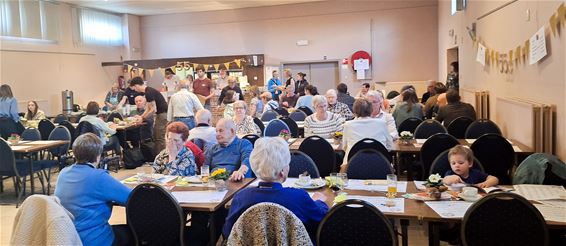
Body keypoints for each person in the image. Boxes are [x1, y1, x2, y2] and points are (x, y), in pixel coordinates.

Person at [222, 137, 328, 240]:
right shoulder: (298, 197)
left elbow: (228, 232)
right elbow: (321, 220)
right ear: (282, 171)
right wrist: (319, 202)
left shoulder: (241, 197)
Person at [54, 133, 132, 246]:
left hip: (69, 237)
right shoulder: (99, 177)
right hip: (94, 240)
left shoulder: (63, 173)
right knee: (133, 233)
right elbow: (132, 197)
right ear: (98, 156)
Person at [341, 98, 393, 171]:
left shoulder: (348, 125)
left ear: (354, 111)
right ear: (371, 110)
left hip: (352, 164)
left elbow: (344, 147)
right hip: (380, 163)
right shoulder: (382, 123)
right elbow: (390, 146)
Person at [130, 76, 168, 153]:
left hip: (162, 115)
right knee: (156, 135)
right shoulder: (148, 91)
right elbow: (148, 108)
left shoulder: (149, 92)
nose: (134, 90)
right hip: (160, 115)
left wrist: (142, 118)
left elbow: (153, 109)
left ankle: (163, 157)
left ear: (136, 85)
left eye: (134, 87)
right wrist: (141, 117)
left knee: (159, 137)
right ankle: (159, 156)